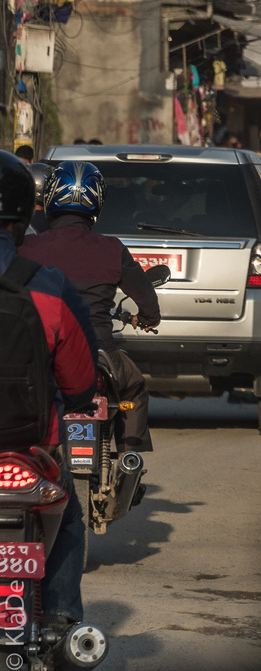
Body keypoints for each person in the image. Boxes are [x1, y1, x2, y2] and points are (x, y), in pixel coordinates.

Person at [0, 154, 98, 634]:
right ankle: (60, 620)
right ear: (22, 221)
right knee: (69, 520)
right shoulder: (49, 287)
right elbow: (81, 384)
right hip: (32, 447)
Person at [24, 161, 161, 451]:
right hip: (99, 351)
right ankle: (129, 461)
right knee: (134, 389)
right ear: (97, 202)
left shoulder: (28, 247)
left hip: (42, 352)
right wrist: (147, 318)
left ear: (51, 197)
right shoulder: (112, 248)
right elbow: (146, 297)